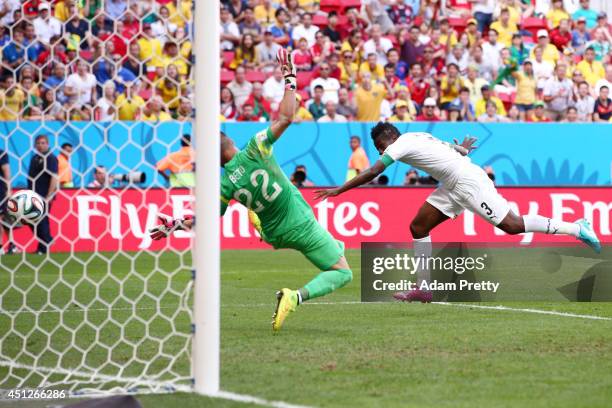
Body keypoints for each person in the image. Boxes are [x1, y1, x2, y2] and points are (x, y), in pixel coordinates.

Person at [150, 49, 353, 332]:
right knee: (343, 272)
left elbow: (207, 220)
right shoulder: (255, 148)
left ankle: (256, 218)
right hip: (299, 224)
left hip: (275, 232)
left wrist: (175, 225)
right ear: (229, 141)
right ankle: (294, 297)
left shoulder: (225, 184)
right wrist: (290, 79)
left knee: (335, 244)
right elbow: (286, 118)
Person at [315, 123, 601, 302]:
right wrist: (462, 148)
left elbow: (375, 171)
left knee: (511, 225)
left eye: (380, 147)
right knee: (418, 228)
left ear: (389, 139)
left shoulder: (400, 144)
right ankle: (423, 289)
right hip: (453, 182)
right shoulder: (418, 135)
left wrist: (340, 190)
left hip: (467, 182)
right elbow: (450, 149)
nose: (380, 152)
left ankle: (577, 228)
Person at [27, 135, 58, 255]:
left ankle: (44, 246)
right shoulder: (35, 158)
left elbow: (54, 177)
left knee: (41, 220)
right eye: (39, 143)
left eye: (43, 143)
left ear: (48, 144)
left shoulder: (50, 158)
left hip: (44, 195)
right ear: (35, 145)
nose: (41, 145)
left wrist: (49, 195)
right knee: (31, 219)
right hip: (33, 195)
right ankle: (46, 241)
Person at [0, 148, 16, 254]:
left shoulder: (1, 154)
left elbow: (6, 171)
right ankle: (11, 244)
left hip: (1, 190)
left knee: (3, 218)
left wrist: (9, 189)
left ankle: (6, 245)